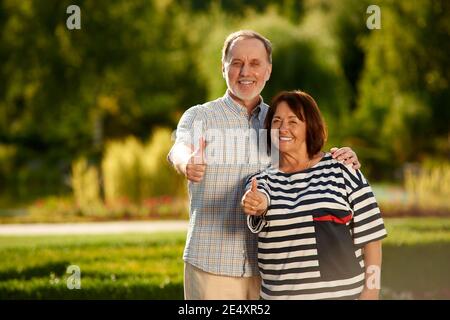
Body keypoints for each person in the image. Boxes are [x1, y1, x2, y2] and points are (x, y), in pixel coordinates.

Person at [168, 30, 361, 300]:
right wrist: (187, 161)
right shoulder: (201, 116)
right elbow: (179, 146)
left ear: (268, 70)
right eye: (236, 63)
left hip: (271, 271)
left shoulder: (278, 121)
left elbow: (307, 161)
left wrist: (342, 155)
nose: (245, 71)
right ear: (223, 68)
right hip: (212, 267)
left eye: (255, 63)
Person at [242, 90, 387, 300]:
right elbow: (258, 200)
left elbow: (372, 238)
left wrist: (371, 293)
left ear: (310, 125)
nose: (283, 128)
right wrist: (255, 202)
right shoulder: (263, 180)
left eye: (293, 121)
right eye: (277, 121)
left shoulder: (342, 168)